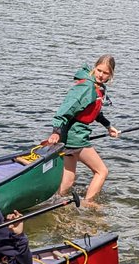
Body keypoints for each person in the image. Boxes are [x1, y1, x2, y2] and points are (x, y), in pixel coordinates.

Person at [44, 55, 120, 208]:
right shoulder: (86, 87)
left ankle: (56, 205)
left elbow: (93, 111)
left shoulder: (97, 88)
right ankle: (88, 203)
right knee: (101, 171)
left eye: (105, 73)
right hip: (76, 137)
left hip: (71, 136)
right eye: (98, 70)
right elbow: (65, 109)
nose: (100, 75)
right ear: (94, 68)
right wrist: (56, 131)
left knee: (68, 180)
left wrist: (108, 126)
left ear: (110, 75)